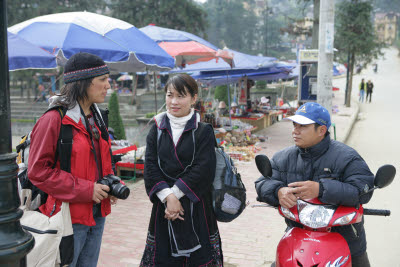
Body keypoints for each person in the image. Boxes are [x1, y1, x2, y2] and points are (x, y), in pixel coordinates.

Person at [255, 102, 374, 267]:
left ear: (322, 130)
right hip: (298, 239)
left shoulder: (347, 157)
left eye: (302, 126)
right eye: (294, 125)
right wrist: (278, 191)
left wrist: (321, 189)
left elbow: (363, 190)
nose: (295, 131)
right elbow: (262, 182)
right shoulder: (284, 157)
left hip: (347, 240)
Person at [28, 52, 118, 267]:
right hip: (67, 217)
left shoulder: (96, 118)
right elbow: (38, 171)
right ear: (84, 83)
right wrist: (87, 189)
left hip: (97, 213)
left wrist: (111, 183)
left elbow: (101, 160)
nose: (108, 86)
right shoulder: (53, 119)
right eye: (103, 80)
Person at [140, 73, 223, 266]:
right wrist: (168, 198)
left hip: (196, 209)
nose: (174, 101)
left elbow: (203, 168)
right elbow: (150, 167)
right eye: (170, 95)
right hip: (164, 209)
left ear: (194, 98)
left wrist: (175, 196)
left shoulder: (203, 131)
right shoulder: (157, 128)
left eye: (181, 96)